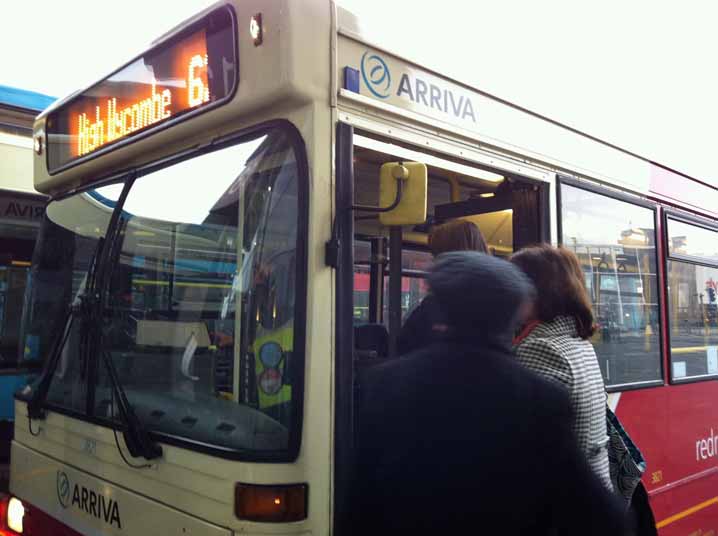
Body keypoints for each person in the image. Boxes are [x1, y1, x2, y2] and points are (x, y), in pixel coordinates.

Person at [353, 251, 628, 535]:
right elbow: (599, 511)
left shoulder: (385, 383)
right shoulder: (539, 396)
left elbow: (361, 504)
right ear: (514, 309)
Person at [511, 244, 612, 490]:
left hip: (560, 506)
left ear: (535, 293)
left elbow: (522, 444)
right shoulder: (576, 342)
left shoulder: (541, 349)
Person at [397, 219, 488, 355]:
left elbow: (406, 347)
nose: (433, 262)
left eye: (436, 255)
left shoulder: (439, 305)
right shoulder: (497, 299)